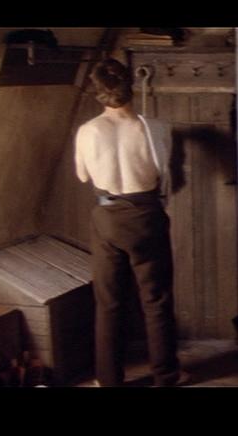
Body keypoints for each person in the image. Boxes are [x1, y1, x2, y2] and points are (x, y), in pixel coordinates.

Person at [75, 58, 187, 387]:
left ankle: (108, 380)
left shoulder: (87, 131)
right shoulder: (157, 128)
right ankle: (166, 376)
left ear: (98, 91)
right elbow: (166, 175)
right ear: (130, 86)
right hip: (146, 218)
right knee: (156, 300)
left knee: (109, 303)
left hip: (107, 219)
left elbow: (83, 176)